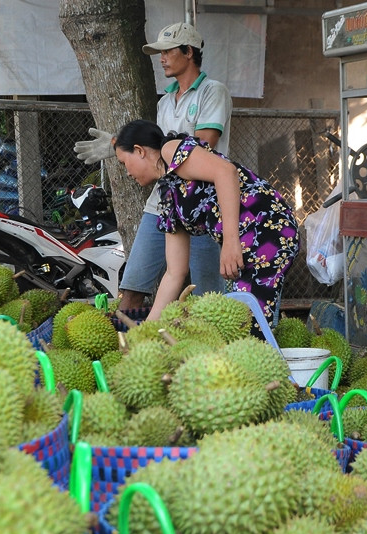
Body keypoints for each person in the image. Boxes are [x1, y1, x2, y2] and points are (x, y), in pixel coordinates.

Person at [75, 22, 232, 310]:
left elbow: (202, 144)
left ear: (188, 52)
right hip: (162, 202)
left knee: (209, 300)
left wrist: (125, 144)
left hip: (201, 205)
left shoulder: (212, 91)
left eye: (167, 51)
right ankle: (127, 347)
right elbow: (155, 153)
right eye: (159, 53)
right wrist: (120, 144)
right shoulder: (164, 102)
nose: (161, 58)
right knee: (131, 288)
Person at [113, 119, 299, 329]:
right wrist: (147, 330)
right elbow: (174, 273)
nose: (127, 173)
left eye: (123, 162)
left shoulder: (170, 149)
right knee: (241, 325)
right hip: (243, 245)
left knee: (249, 325)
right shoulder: (168, 198)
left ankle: (279, 359)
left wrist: (230, 242)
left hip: (269, 229)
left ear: (139, 150)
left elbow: (225, 172)